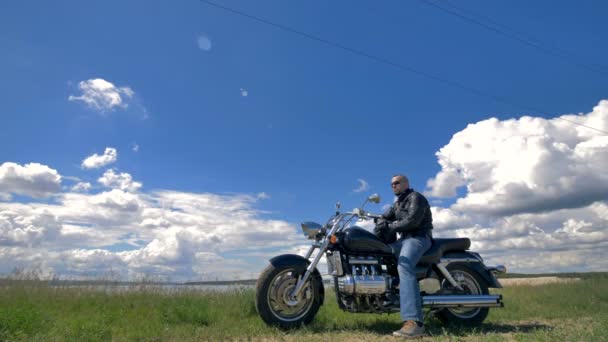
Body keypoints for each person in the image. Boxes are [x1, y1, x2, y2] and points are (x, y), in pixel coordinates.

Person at [374, 174, 433, 338]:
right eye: (391, 184)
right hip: (403, 241)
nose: (394, 186)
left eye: (397, 183)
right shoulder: (398, 203)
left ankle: (414, 322)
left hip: (418, 238)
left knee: (404, 266)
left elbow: (412, 221)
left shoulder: (416, 197)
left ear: (406, 183)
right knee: (377, 253)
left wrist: (390, 225)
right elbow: (385, 216)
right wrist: (379, 221)